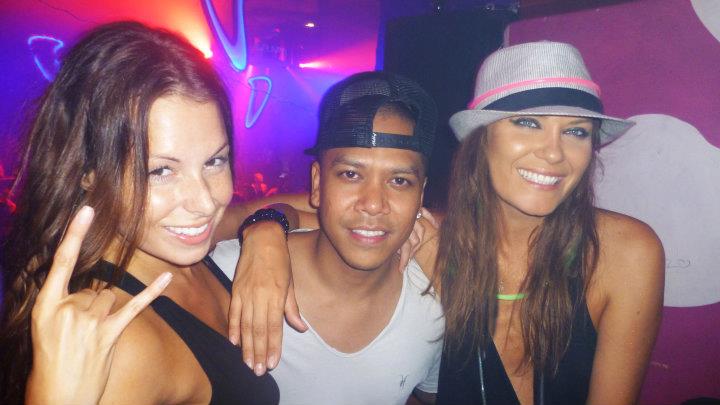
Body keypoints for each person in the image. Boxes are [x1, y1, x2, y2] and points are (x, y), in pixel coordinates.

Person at [230, 42, 665, 405]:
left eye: (577, 131)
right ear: (481, 139)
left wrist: (268, 225)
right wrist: (267, 229)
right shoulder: (431, 238)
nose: (553, 153)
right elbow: (333, 205)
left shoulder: (625, 253)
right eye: (527, 123)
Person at [0, 22, 279, 405]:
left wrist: (267, 233)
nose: (205, 202)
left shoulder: (176, 240)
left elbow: (291, 208)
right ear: (88, 172)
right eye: (160, 171)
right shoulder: (124, 345)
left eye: (214, 161)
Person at [211, 71, 444, 405]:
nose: (373, 204)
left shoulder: (433, 305)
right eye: (351, 174)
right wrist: (266, 224)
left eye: (399, 181)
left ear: (420, 196)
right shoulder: (230, 273)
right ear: (318, 184)